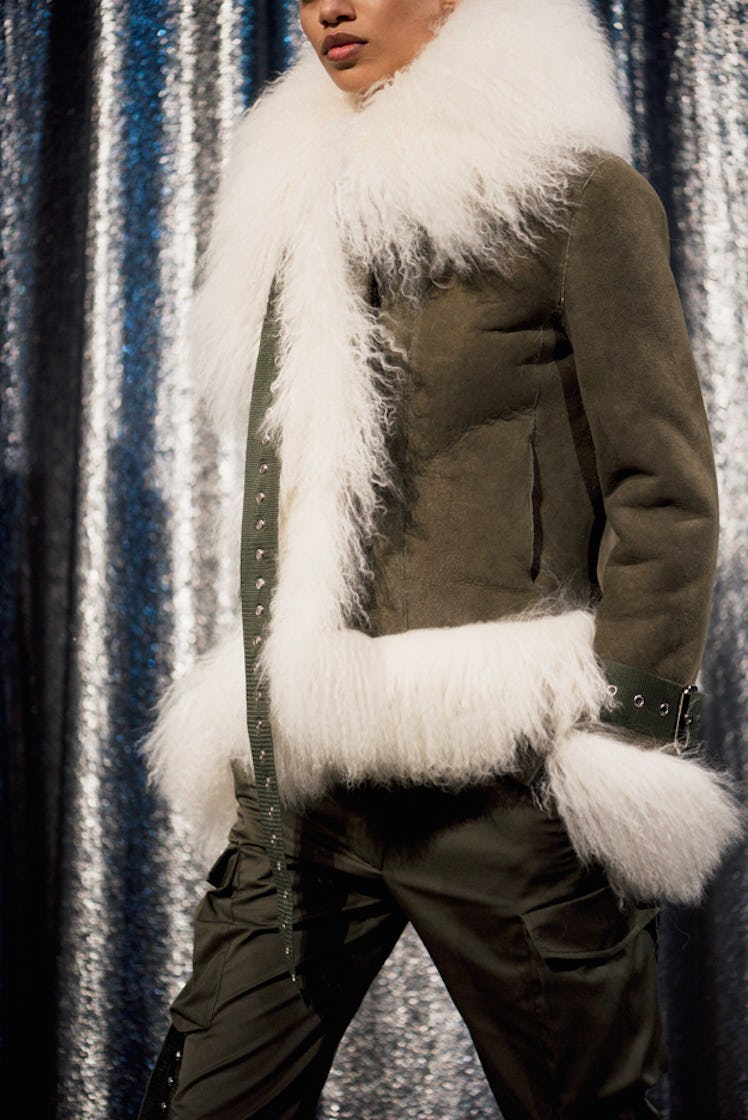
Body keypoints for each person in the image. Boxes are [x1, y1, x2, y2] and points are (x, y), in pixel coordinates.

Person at [138, 1, 743, 1117]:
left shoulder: (574, 198)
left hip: (501, 784)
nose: (329, 8)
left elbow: (664, 493)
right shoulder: (297, 213)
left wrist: (616, 744)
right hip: (313, 779)